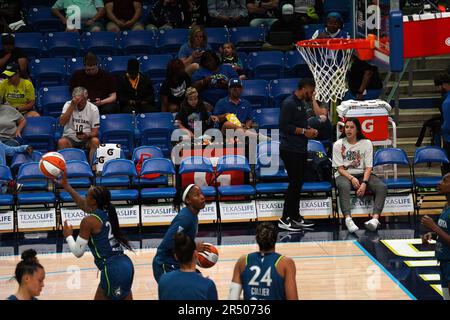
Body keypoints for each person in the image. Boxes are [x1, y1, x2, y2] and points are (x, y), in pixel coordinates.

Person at [56, 173, 135, 300]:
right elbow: (82, 204)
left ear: (93, 201)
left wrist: (68, 236)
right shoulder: (108, 211)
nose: (84, 197)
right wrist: (66, 186)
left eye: (87, 195)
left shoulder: (89, 221)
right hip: (125, 264)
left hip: (113, 270)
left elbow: (78, 252)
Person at [332, 118, 387, 233]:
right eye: (346, 127)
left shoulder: (366, 143)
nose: (348, 130)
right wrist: (352, 178)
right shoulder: (338, 144)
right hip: (345, 174)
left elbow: (368, 167)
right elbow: (340, 169)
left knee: (382, 187)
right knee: (343, 186)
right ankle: (348, 219)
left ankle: (375, 220)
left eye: (352, 127)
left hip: (363, 174)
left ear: (357, 130)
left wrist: (364, 183)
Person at [278, 78, 318, 231]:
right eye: (311, 90)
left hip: (300, 148)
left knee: (298, 184)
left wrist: (309, 130)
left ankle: (295, 216)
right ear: (305, 87)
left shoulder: (301, 103)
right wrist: (304, 131)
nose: (312, 94)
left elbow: (300, 125)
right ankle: (284, 219)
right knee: (294, 184)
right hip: (290, 149)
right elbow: (284, 126)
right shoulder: (289, 103)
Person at [152, 184, 209, 283]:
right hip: (165, 264)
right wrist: (194, 247)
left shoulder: (192, 215)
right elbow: (168, 244)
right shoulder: (185, 218)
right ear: (188, 200)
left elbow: (182, 241)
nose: (202, 197)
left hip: (177, 262)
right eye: (197, 195)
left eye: (201, 193)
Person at [228, 222, 298, 300]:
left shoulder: (243, 261)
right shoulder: (286, 263)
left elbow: (232, 298)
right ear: (276, 239)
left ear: (257, 240)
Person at [158, 232, 218, 300]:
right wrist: (203, 282)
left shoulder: (163, 280)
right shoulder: (208, 285)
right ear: (195, 254)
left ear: (176, 257)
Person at [421, 173, 450, 300]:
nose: (439, 183)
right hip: (443, 261)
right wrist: (432, 234)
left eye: (445, 181)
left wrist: (434, 227)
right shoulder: (446, 206)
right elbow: (445, 230)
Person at [57, 87, 100, 166]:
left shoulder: (93, 109)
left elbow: (95, 132)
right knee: (62, 142)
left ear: (86, 98)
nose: (79, 103)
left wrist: (87, 135)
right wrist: (72, 106)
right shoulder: (68, 104)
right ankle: (64, 169)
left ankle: (93, 168)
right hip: (70, 137)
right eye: (77, 101)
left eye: (82, 100)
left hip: (86, 139)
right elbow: (62, 123)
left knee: (95, 141)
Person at [437, 72, 450, 174]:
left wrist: (441, 130)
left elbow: (447, 125)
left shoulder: (447, 102)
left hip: (448, 139)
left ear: (445, 85)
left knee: (447, 170)